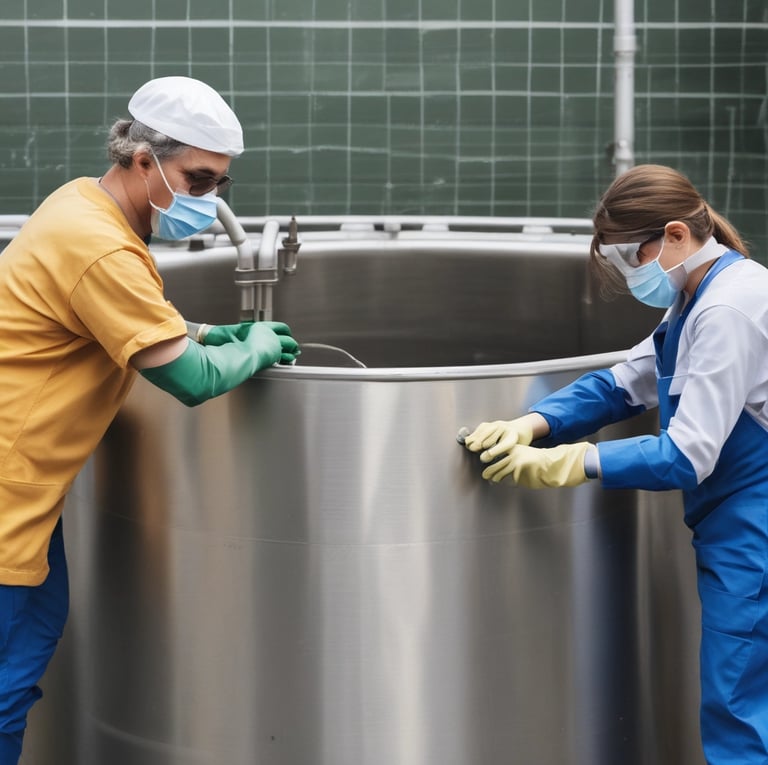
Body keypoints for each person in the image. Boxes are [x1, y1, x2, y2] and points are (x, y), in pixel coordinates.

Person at [0, 76, 298, 763]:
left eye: (220, 183)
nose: (211, 201)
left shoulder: (82, 204)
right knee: (4, 688)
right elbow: (191, 380)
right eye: (198, 180)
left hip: (30, 499)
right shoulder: (100, 245)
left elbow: (106, 315)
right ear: (142, 160)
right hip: (10, 499)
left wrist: (204, 330)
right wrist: (250, 348)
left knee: (22, 660)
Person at [461, 164, 768, 764]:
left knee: (737, 708)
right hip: (737, 524)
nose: (630, 274)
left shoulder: (728, 308)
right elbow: (629, 380)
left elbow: (688, 454)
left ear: (675, 234)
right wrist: (536, 422)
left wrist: (575, 463)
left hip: (754, 526)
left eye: (631, 257)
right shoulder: (698, 294)